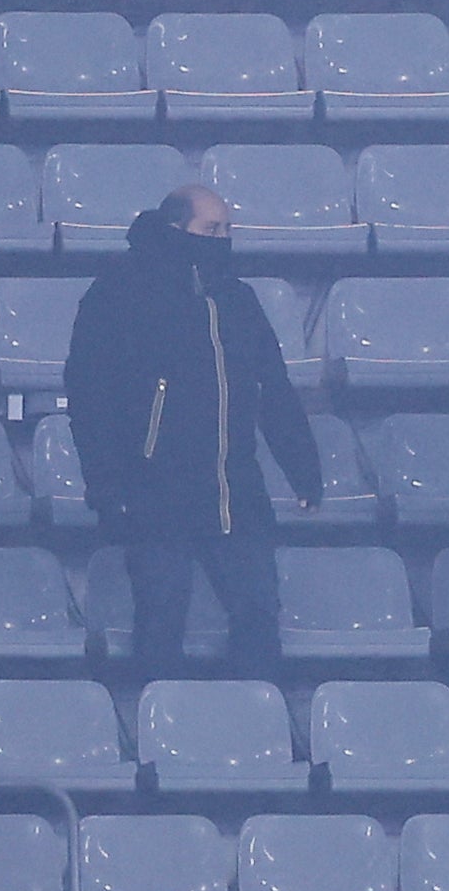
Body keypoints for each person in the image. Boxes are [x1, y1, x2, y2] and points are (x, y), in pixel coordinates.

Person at [67, 189, 323, 667]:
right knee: (161, 621)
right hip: (152, 491)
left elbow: (274, 387)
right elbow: (88, 395)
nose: (221, 239)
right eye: (211, 229)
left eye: (226, 229)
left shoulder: (238, 299)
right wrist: (105, 484)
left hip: (236, 491)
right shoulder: (118, 292)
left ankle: (252, 726)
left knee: (259, 617)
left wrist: (302, 467)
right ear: (175, 229)